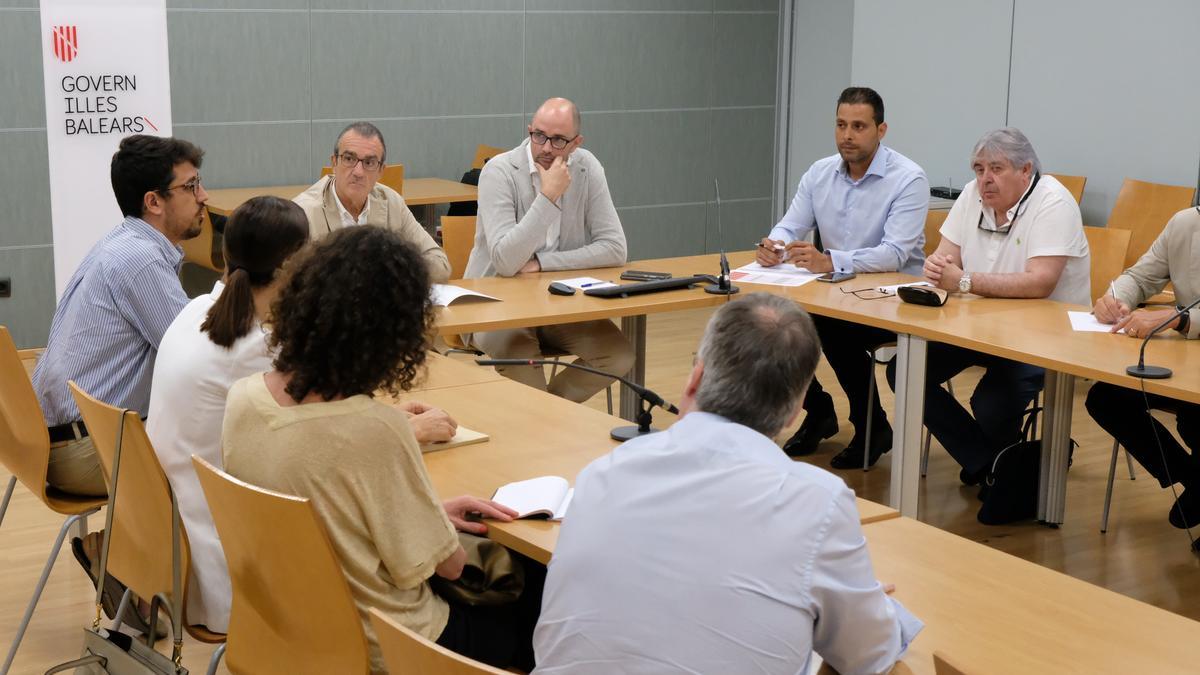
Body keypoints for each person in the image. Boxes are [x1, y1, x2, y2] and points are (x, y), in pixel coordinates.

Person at [534, 293, 921, 675]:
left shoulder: (602, 473)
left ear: (695, 378)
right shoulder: (818, 502)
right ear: (795, 410)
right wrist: (862, 601)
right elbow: (871, 657)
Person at [221, 226, 541, 673]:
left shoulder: (243, 399)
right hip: (392, 646)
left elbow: (325, 508)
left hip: (290, 627)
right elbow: (447, 567)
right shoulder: (373, 429)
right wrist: (435, 527)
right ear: (392, 335)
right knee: (542, 591)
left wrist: (429, 512)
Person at [148, 196, 461, 632]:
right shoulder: (259, 350)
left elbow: (322, 428)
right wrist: (407, 430)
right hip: (266, 578)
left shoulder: (195, 310)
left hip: (197, 541)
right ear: (296, 266)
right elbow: (329, 440)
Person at [888, 128, 1090, 487]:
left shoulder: (1053, 202)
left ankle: (1004, 468)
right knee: (904, 369)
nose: (985, 179)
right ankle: (988, 464)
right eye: (979, 169)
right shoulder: (971, 195)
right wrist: (937, 267)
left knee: (991, 403)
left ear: (1026, 170)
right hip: (981, 328)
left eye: (996, 168)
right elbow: (946, 257)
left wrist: (963, 280)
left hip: (1046, 339)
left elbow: (1040, 282)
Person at [758, 87, 928, 468]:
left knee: (832, 329)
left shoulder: (908, 179)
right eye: (840, 125)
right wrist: (775, 244)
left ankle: (873, 426)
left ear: (881, 130)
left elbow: (896, 253)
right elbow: (792, 223)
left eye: (858, 126)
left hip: (896, 297)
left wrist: (830, 260)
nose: (847, 135)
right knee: (769, 324)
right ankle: (818, 410)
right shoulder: (820, 173)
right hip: (836, 291)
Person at [464, 97, 633, 403]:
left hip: (557, 305)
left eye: (558, 141)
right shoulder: (500, 172)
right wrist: (549, 196)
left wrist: (543, 262)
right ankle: (540, 419)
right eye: (539, 135)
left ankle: (548, 413)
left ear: (576, 143)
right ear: (530, 130)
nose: (545, 148)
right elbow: (505, 260)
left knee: (618, 355)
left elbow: (614, 247)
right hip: (496, 308)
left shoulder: (587, 168)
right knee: (526, 376)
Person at [1086, 206, 1200, 529]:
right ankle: (1192, 478)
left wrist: (1180, 318)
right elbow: (1138, 277)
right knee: (1106, 399)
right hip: (1184, 364)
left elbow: (1183, 316)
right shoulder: (1185, 223)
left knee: (1195, 421)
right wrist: (1114, 299)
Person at [293, 121, 451, 283]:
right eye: (349, 159)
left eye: (369, 163)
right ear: (334, 163)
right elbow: (288, 281)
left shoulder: (391, 203)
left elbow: (440, 264)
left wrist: (393, 271)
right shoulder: (303, 212)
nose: (358, 172)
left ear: (381, 170)